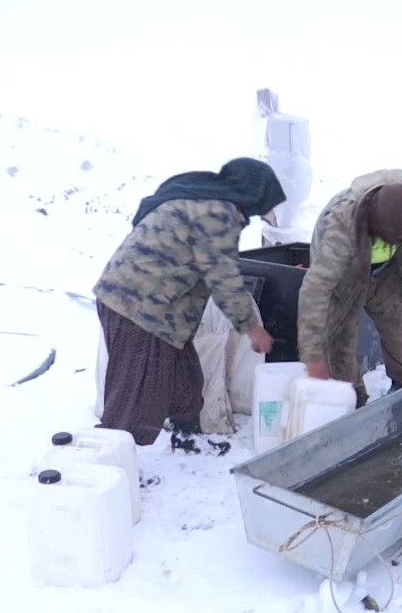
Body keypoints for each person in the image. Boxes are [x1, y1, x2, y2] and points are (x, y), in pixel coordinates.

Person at [94, 158, 284, 445]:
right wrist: (253, 329)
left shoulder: (197, 196)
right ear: (253, 192)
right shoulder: (219, 212)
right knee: (131, 400)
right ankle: (109, 468)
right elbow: (225, 281)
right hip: (138, 310)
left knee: (187, 381)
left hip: (150, 308)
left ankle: (187, 439)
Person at [297, 169, 402, 407]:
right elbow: (313, 292)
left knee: (398, 327)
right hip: (346, 276)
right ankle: (356, 402)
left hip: (386, 272)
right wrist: (311, 355)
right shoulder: (339, 231)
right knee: (341, 344)